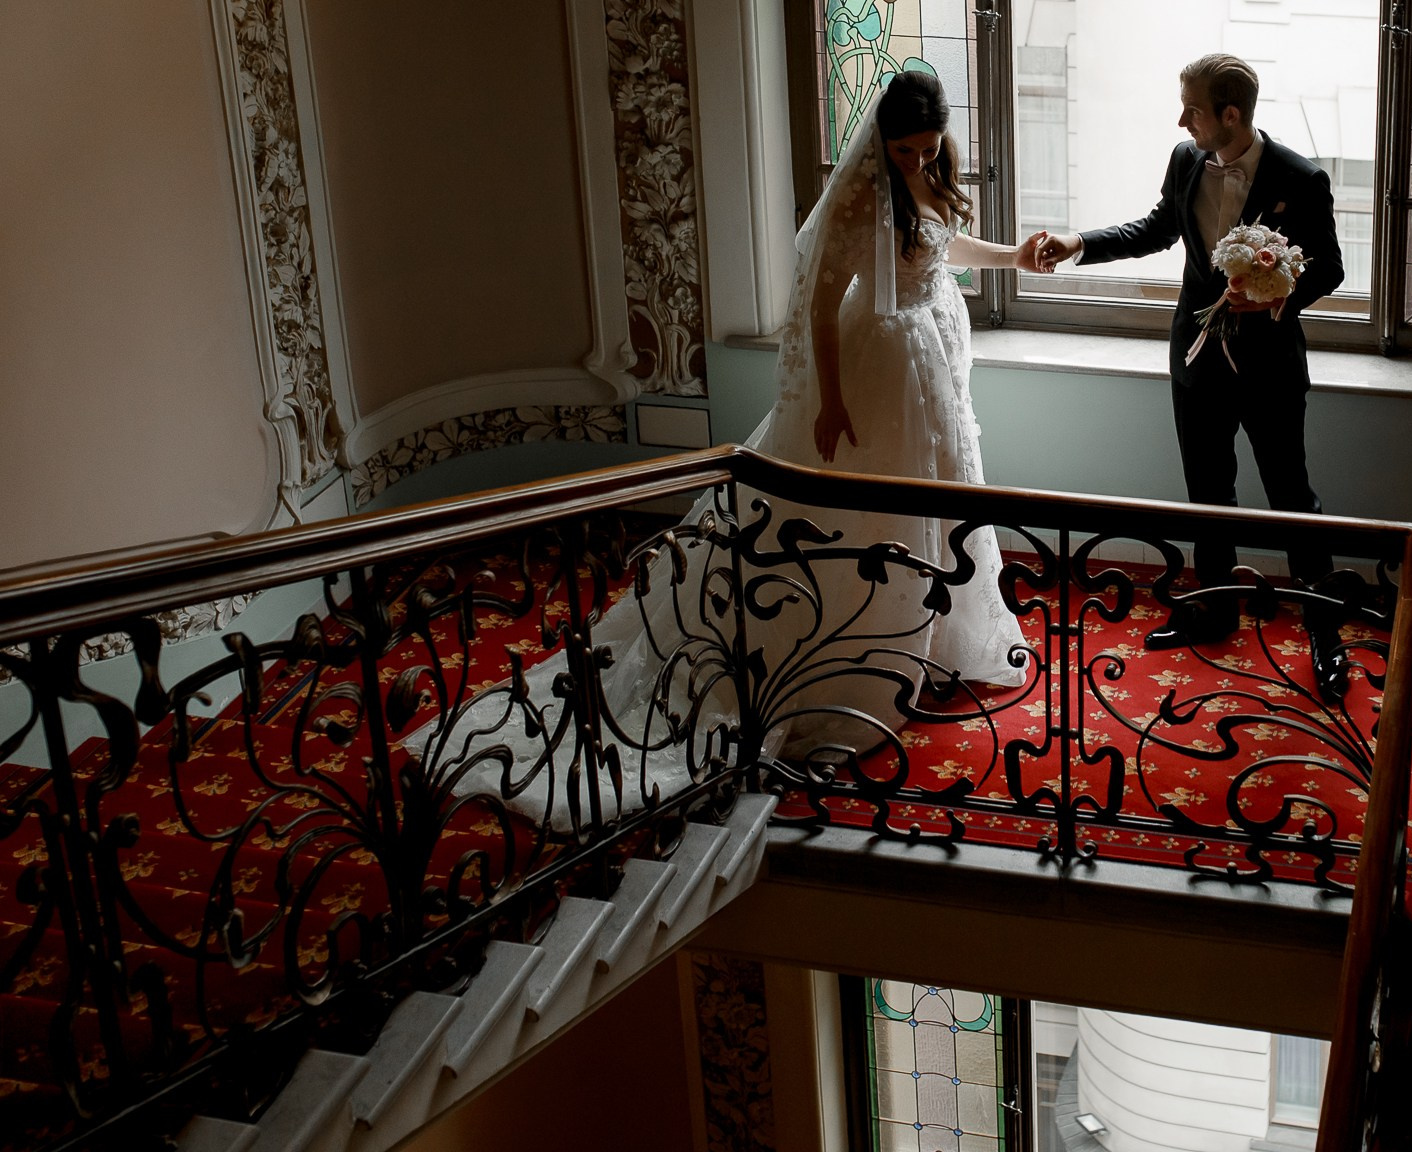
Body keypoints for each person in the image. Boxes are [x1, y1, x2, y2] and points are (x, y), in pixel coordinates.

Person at [415, 72, 1051, 822]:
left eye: (925, 146)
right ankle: (857, 656)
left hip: (930, 356)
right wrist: (834, 396)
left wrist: (1015, 257)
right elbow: (820, 300)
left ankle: (934, 631)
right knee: (867, 504)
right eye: (902, 148)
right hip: (877, 361)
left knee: (941, 487)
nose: (914, 159)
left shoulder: (933, 175)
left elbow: (942, 245)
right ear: (881, 141)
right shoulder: (857, 196)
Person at [1035, 54, 1345, 652]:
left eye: (1194, 110)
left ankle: (1324, 636)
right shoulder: (1185, 161)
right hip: (1196, 362)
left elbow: (1329, 267)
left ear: (1230, 114)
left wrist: (1277, 295)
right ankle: (1214, 612)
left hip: (1270, 369)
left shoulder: (1301, 179)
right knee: (1207, 493)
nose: (1183, 121)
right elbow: (1155, 229)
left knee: (1293, 501)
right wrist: (1079, 242)